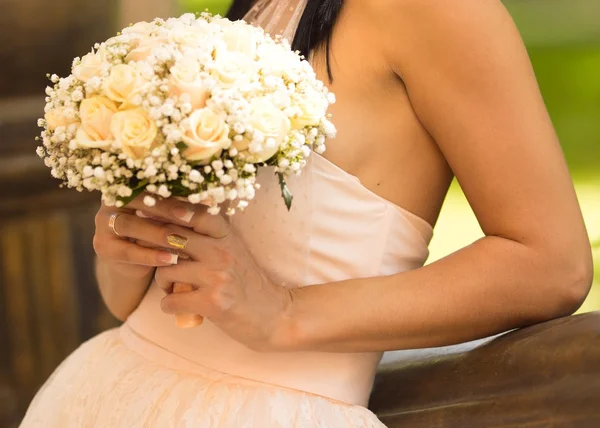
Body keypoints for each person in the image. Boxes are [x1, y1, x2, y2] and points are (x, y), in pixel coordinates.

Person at [20, 0, 593, 426]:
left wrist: (286, 312)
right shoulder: (265, 4)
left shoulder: (434, 10)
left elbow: (550, 264)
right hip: (104, 393)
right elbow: (132, 304)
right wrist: (126, 246)